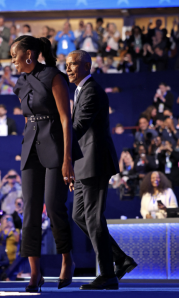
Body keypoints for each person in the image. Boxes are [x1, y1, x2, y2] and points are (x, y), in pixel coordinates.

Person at [11, 35, 81, 292]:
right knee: (30, 210)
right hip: (30, 149)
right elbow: (28, 118)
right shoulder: (20, 82)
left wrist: (67, 159)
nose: (13, 62)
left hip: (54, 145)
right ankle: (34, 274)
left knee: (53, 206)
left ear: (28, 54)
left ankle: (66, 260)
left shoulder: (54, 76)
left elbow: (65, 119)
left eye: (14, 56)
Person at [66, 50, 136, 290]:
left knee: (94, 217)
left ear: (87, 66)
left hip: (95, 161)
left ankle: (107, 274)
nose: (68, 69)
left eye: (73, 64)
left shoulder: (92, 90)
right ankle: (121, 259)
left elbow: (77, 128)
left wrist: (53, 133)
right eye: (66, 65)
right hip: (83, 162)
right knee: (78, 215)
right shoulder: (79, 91)